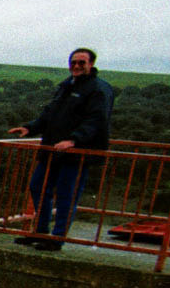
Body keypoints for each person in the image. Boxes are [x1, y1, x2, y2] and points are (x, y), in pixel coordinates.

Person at [7, 48, 115, 250]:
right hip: (53, 149)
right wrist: (30, 127)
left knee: (67, 195)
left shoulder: (99, 89)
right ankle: (40, 232)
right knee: (38, 186)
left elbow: (96, 120)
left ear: (91, 65)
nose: (76, 66)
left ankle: (56, 239)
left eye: (81, 62)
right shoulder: (67, 85)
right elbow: (51, 113)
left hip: (76, 153)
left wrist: (74, 140)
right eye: (73, 62)